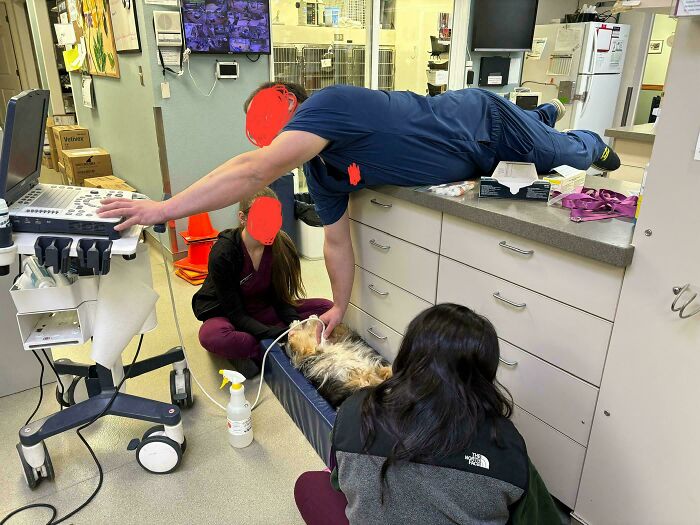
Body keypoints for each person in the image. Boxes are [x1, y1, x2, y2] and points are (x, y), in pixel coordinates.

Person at [98, 83, 621, 338]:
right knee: (535, 140)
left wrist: (161, 209)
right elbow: (336, 242)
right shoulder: (322, 172)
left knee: (558, 153)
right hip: (474, 158)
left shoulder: (330, 104)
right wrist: (341, 309)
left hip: (481, 119)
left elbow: (254, 169)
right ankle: (541, 117)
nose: (273, 142)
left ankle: (582, 136)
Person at [294, 303, 561, 525]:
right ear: (484, 374)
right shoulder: (506, 445)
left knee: (310, 485)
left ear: (407, 356)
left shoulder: (355, 411)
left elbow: (340, 482)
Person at [191, 187, 332, 373]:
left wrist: (294, 325)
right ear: (243, 218)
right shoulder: (223, 253)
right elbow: (236, 314)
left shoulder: (280, 245)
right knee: (213, 336)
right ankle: (255, 348)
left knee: (327, 308)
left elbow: (281, 299)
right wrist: (282, 334)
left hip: (263, 309)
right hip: (229, 315)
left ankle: (258, 349)